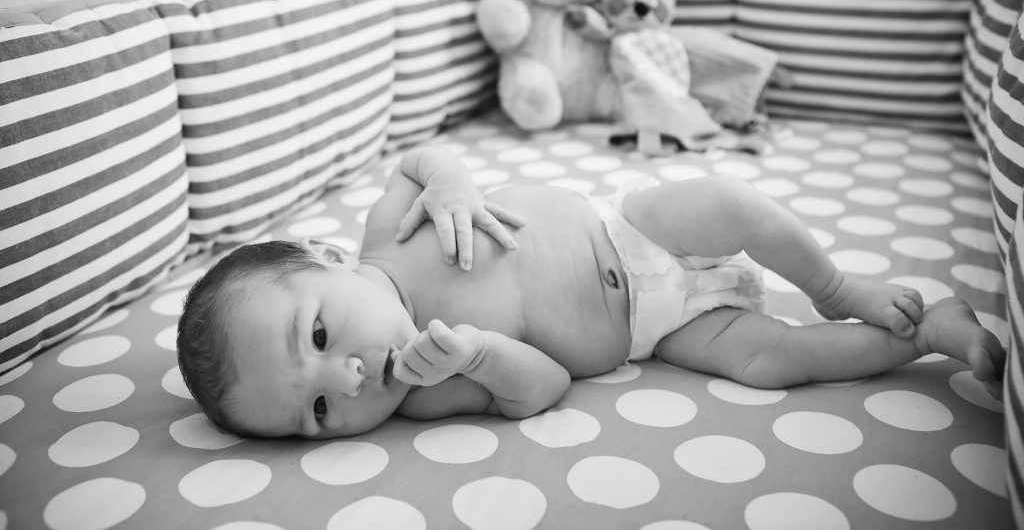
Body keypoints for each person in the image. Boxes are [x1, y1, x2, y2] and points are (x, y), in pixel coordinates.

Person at [177, 147, 1006, 439]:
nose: (350, 379)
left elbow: (418, 159)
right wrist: (479, 355)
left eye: (319, 338)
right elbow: (543, 386)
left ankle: (836, 285)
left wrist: (452, 182)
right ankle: (927, 332)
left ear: (325, 259)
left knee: (732, 203)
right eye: (320, 410)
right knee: (771, 361)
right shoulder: (426, 394)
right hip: (660, 328)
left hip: (631, 233)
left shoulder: (386, 233)